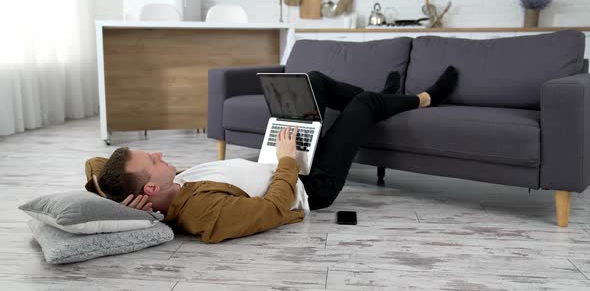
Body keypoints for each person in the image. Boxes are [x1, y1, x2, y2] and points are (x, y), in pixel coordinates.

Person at [85, 67, 459, 243]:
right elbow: (272, 211)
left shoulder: (172, 185)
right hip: (310, 184)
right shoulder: (201, 213)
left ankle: (382, 97)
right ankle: (422, 99)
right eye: (151, 160)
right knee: (360, 104)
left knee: (312, 80)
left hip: (283, 161)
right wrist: (286, 161)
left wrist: (117, 206)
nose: (159, 153)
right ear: (149, 189)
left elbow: (96, 168)